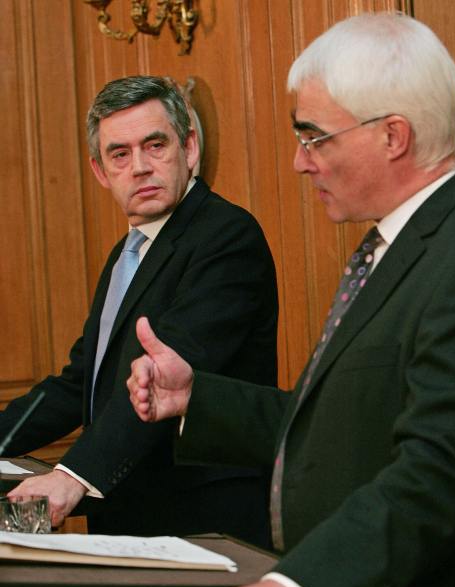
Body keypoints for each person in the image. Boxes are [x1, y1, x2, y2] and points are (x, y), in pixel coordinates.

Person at [127, 13, 455, 587]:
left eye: (314, 136)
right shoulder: (400, 249)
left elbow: (446, 463)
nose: (299, 161)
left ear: (393, 135)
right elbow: (341, 424)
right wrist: (198, 399)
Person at [2, 76, 278, 547]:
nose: (140, 167)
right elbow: (81, 382)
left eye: (155, 145)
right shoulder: (128, 252)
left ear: (189, 148)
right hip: (131, 517)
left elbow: (160, 379)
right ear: (100, 170)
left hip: (203, 524)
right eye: (120, 154)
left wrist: (73, 475)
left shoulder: (226, 236)